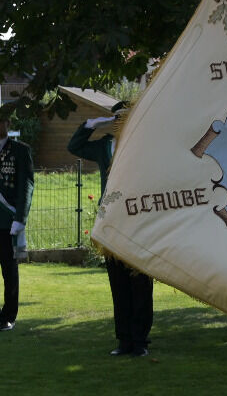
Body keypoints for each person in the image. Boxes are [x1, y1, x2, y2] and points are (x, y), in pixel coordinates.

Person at [68, 101, 154, 356]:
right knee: (118, 285)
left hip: (138, 222)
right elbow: (74, 146)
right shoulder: (104, 145)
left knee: (140, 285)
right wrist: (92, 124)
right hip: (111, 224)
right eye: (117, 117)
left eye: (126, 116)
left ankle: (140, 341)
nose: (121, 121)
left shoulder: (143, 145)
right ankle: (124, 340)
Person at [0, 111, 34, 332]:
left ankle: (8, 316)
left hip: (7, 220)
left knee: (9, 270)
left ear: (7, 123)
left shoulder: (21, 151)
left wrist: (20, 218)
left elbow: (26, 186)